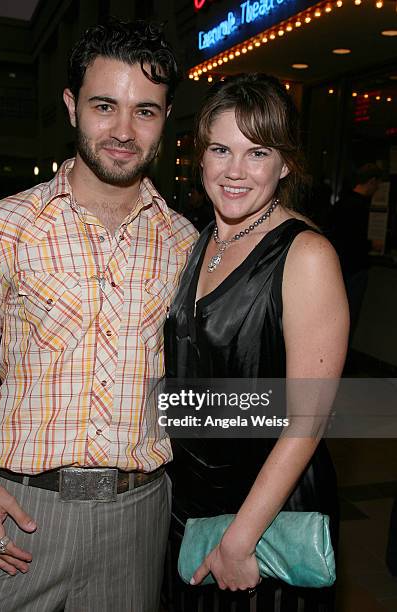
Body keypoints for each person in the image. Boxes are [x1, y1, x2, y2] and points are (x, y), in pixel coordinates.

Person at [0, 19, 196, 612]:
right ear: (70, 106)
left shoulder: (185, 242)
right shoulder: (3, 225)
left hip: (138, 517)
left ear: (165, 119)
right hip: (19, 511)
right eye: (104, 106)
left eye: (146, 111)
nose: (123, 130)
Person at [162, 74, 349, 611]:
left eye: (257, 152)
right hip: (194, 507)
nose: (235, 171)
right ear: (201, 157)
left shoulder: (306, 255)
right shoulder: (202, 241)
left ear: (284, 163)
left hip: (266, 517)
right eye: (221, 149)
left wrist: (240, 539)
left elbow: (307, 421)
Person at [329, 163, 382, 337]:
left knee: (335, 317)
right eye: (378, 183)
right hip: (353, 269)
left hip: (337, 267)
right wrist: (372, 245)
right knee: (349, 319)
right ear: (372, 182)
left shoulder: (340, 204)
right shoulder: (361, 208)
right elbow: (354, 241)